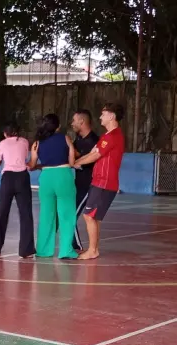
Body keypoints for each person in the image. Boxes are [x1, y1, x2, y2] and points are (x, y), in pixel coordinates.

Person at [73, 102, 125, 260]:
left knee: (88, 216)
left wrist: (76, 163)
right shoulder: (106, 136)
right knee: (95, 217)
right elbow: (92, 153)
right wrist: (77, 161)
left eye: (103, 114)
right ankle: (93, 248)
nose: (100, 117)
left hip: (104, 182)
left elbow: (95, 156)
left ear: (112, 116)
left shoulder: (112, 136)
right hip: (101, 182)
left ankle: (93, 250)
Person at [28, 113, 77, 260]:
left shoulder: (37, 143)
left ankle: (43, 250)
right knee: (66, 215)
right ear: (58, 126)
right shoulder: (65, 138)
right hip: (63, 176)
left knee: (46, 215)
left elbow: (31, 165)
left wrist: (37, 165)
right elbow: (72, 161)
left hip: (46, 177)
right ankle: (66, 250)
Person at [0, 121, 35, 258]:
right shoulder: (25, 142)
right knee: (25, 213)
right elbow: (25, 159)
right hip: (22, 178)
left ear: (5, 134)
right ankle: (26, 250)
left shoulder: (2, 144)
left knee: (3, 211)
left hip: (7, 178)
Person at [70, 109, 100, 251]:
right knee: (69, 212)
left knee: (72, 214)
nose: (72, 124)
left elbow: (88, 160)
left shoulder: (94, 141)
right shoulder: (79, 138)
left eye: (74, 121)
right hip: (78, 183)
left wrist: (77, 159)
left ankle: (77, 246)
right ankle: (73, 243)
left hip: (89, 184)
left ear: (81, 121)